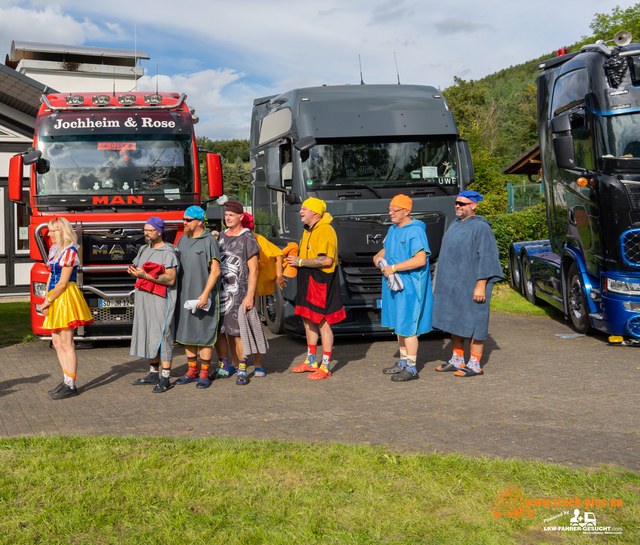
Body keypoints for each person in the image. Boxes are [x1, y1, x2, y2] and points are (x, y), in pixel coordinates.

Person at [431, 190, 504, 377]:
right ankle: (457, 360)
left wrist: (481, 284)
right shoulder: (455, 224)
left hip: (473, 285)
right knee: (455, 321)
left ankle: (474, 364)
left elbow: (487, 257)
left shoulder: (481, 227)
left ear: (473, 206)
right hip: (454, 285)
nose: (457, 206)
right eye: (456, 202)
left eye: (462, 204)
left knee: (475, 323)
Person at [373, 194, 433, 382]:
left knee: (408, 327)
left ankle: (412, 368)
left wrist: (393, 268)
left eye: (394, 210)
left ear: (407, 211)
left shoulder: (415, 231)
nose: (390, 213)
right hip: (394, 285)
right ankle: (403, 363)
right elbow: (384, 251)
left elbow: (420, 259)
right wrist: (378, 259)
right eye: (389, 209)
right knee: (400, 325)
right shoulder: (392, 230)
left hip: (410, 287)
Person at [285, 197, 346, 380]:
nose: (300, 212)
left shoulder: (325, 230)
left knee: (323, 323)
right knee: (307, 319)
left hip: (321, 281)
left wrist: (300, 261)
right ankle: (311, 361)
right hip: (307, 280)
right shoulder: (308, 230)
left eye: (304, 209)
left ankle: (325, 366)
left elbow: (326, 260)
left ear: (315, 213)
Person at [40, 217, 94, 399]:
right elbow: (51, 277)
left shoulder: (70, 251)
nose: (49, 234)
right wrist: (46, 297)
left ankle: (70, 384)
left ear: (61, 231)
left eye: (52, 231)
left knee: (66, 343)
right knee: (56, 343)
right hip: (54, 297)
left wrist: (48, 300)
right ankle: (66, 379)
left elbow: (63, 283)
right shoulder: (56, 251)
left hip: (64, 298)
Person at [128, 216, 179, 392]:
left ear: (159, 231)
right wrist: (133, 271)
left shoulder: (168, 252)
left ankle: (165, 378)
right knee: (150, 332)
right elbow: (137, 267)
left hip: (161, 300)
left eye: (150, 230)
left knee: (163, 335)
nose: (146, 233)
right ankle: (153, 373)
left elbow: (170, 279)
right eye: (145, 230)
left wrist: (146, 276)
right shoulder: (143, 249)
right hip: (145, 298)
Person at [174, 206, 221, 389]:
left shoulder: (209, 241)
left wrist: (205, 293)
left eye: (188, 220)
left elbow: (215, 271)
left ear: (199, 221)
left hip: (203, 296)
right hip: (185, 294)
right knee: (187, 332)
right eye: (184, 219)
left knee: (204, 333)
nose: (184, 223)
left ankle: (204, 374)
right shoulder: (182, 240)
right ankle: (192, 371)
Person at [215, 200, 260, 385]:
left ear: (241, 217)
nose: (228, 218)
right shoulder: (222, 237)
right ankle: (224, 366)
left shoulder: (247, 238)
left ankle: (242, 368)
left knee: (238, 333)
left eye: (231, 215)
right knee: (221, 331)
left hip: (239, 294)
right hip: (221, 293)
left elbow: (254, 270)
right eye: (226, 215)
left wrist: (250, 296)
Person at [241, 213, 286, 377]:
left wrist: (279, 274)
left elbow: (277, 253)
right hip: (236, 288)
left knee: (252, 325)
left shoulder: (256, 238)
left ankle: (257, 364)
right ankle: (237, 364)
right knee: (237, 330)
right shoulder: (231, 237)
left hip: (252, 288)